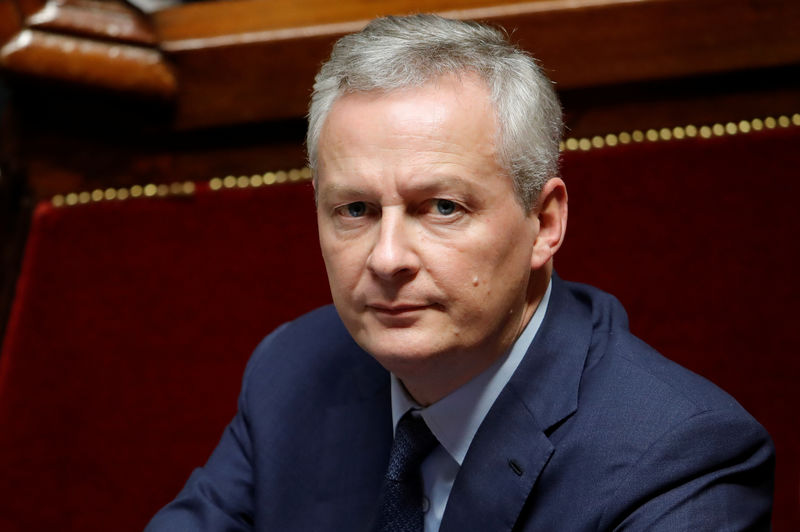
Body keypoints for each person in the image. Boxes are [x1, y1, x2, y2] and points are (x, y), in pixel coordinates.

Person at [146, 14, 774, 531]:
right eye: (356, 210)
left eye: (442, 207)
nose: (387, 257)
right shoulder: (293, 370)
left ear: (544, 223)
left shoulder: (677, 459)